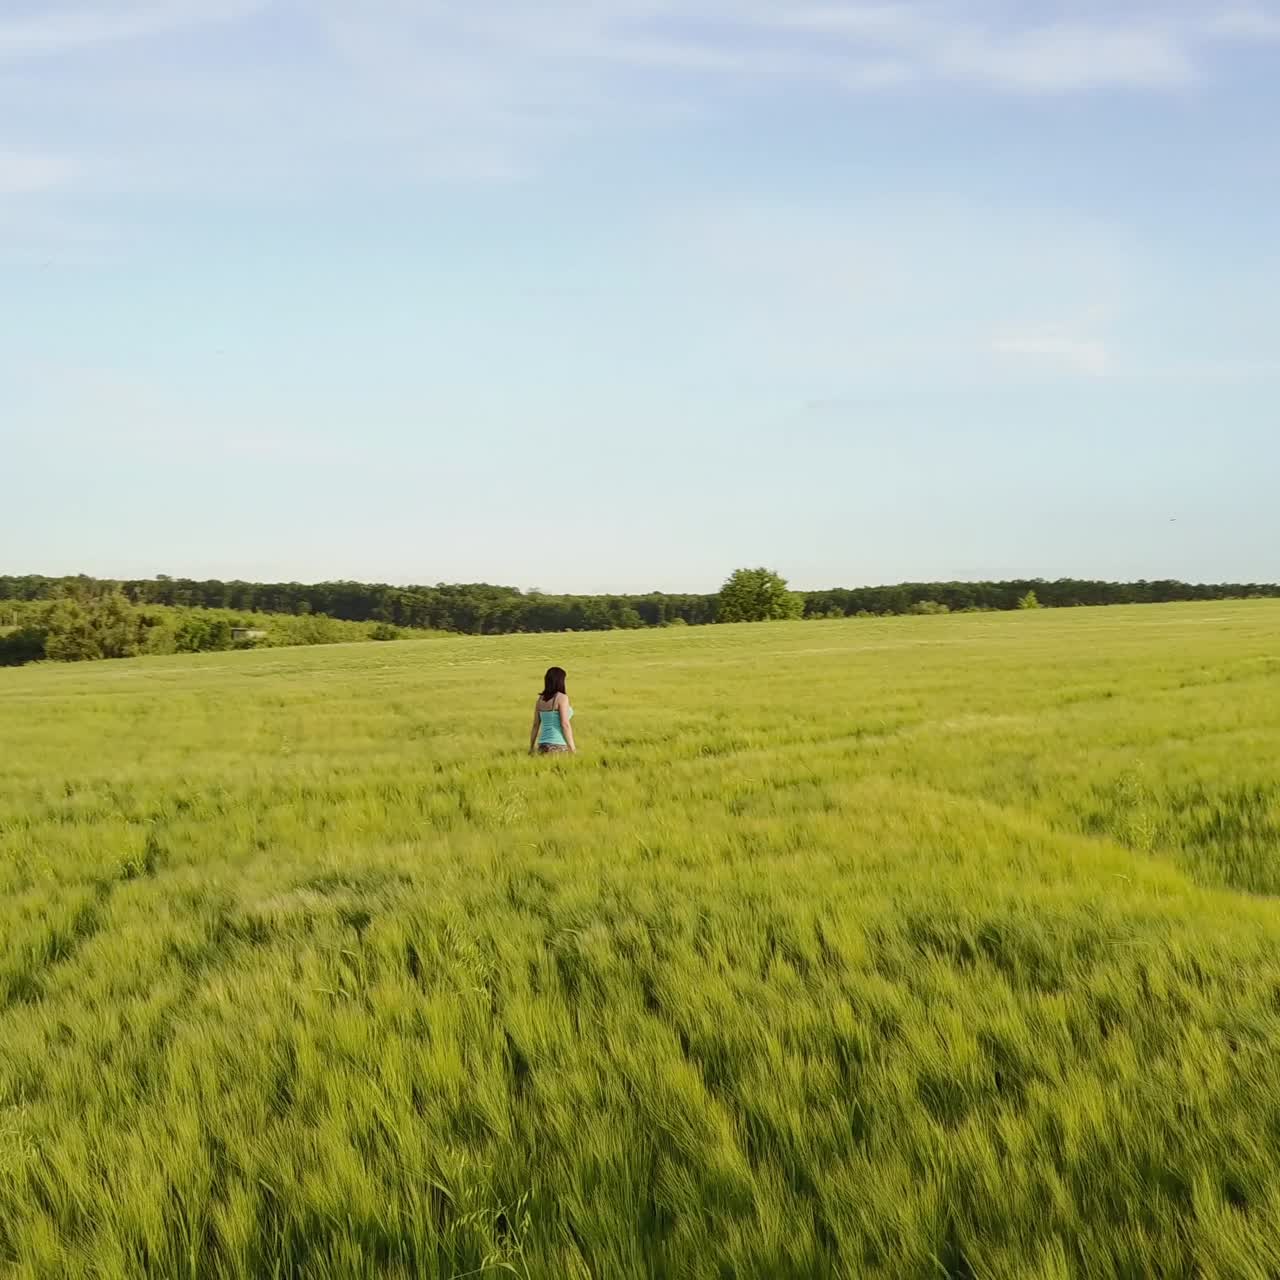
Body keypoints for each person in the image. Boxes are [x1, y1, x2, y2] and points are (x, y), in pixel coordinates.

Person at [530, 666, 576, 756]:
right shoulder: (562, 698)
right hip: (558, 746)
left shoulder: (540, 699)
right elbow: (565, 725)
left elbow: (535, 725)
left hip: (542, 746)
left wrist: (531, 747)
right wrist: (572, 748)